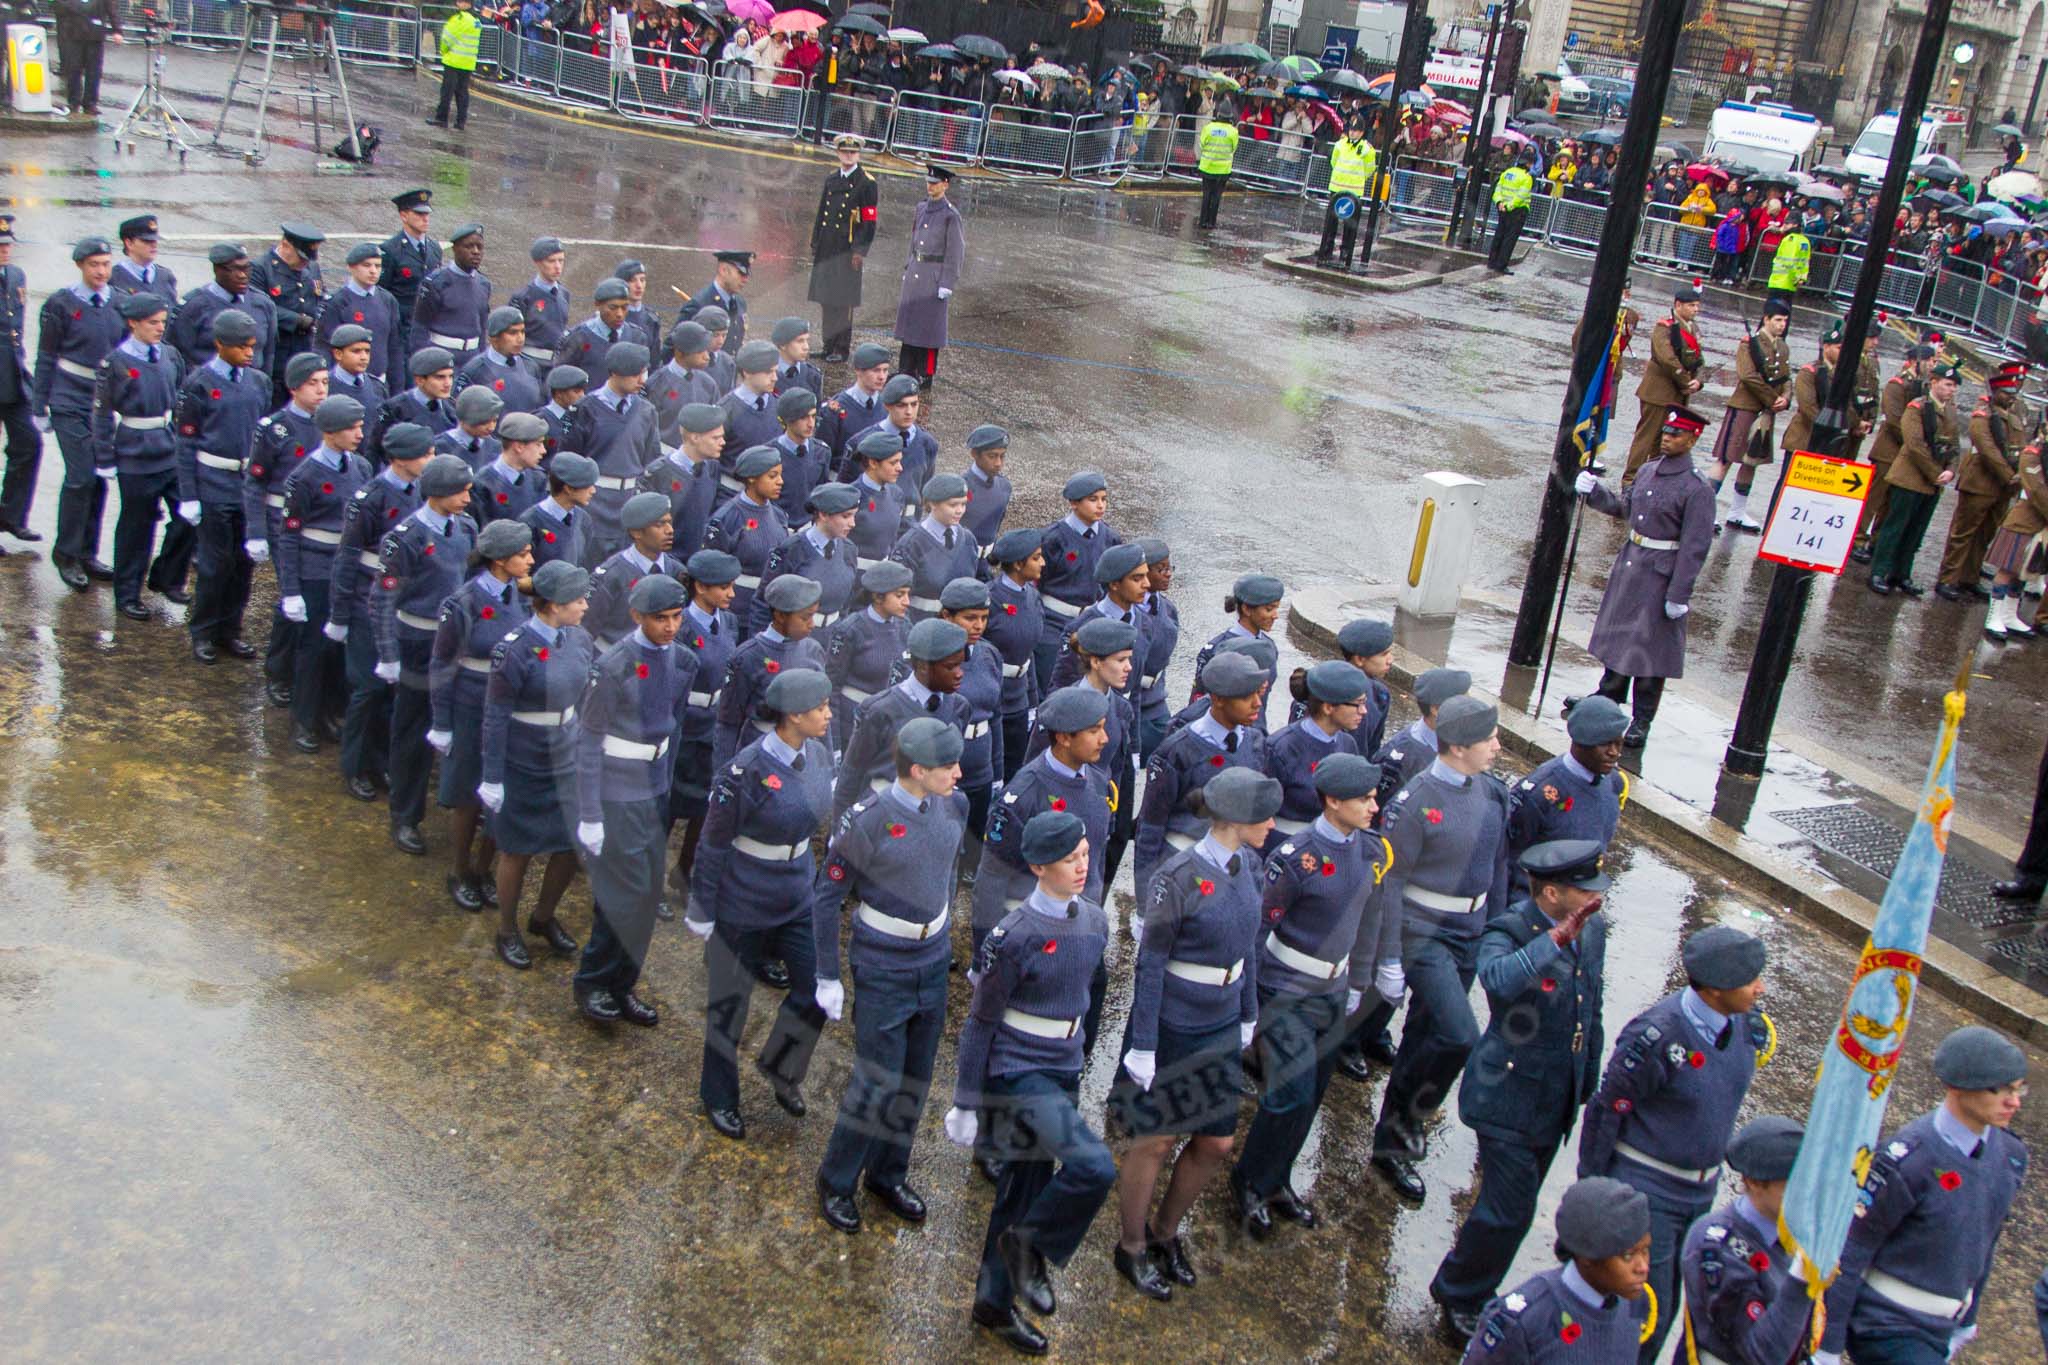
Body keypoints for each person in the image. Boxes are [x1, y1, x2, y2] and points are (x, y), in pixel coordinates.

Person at [945, 809, 1115, 1356]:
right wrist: (966, 1102)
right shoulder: (1012, 935)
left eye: (1085, 854)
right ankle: (1029, 1249)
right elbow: (981, 1022)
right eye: (1070, 860)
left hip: (1062, 1067)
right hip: (1018, 1071)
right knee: (1094, 1166)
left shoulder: (1094, 921)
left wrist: (1079, 1059)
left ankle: (993, 1304)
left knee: (1024, 1187)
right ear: (1040, 866)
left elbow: (1087, 998)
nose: (1082, 866)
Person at [1428, 840, 1610, 1344]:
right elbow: (1498, 980)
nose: (1594, 900)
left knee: (1518, 1205)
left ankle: (1470, 1285)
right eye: (1583, 891)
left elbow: (1589, 1006)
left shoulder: (1591, 931)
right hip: (1507, 1092)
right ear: (1551, 893)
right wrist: (1554, 939)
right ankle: (1460, 1292)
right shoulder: (1509, 929)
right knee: (1510, 1208)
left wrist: (1586, 1080)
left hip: (1554, 1092)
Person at [1111, 766, 1277, 1301]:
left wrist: (1248, 1013)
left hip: (1223, 1018)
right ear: (1233, 818)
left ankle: (1165, 1232)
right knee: (1156, 1140)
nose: (1273, 823)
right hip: (1178, 1021)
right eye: (1263, 814)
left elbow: (1249, 944)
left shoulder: (1249, 864)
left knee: (1216, 1140)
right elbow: (1150, 964)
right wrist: (1142, 1044)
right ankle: (1131, 1245)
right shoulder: (1175, 878)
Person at [1578, 925, 1772, 1363]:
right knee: (1647, 1314)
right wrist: (1593, 1187)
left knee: (1683, 1308)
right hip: (1649, 1192)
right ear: (1716, 991)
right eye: (1749, 981)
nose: (1760, 988)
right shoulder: (1658, 1037)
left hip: (1699, 1194)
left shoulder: (1746, 1025)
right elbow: (1608, 1108)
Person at [814, 715, 967, 1228]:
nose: (959, 773)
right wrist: (827, 974)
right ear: (918, 770)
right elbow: (827, 895)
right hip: (882, 960)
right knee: (876, 1081)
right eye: (948, 766)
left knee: (915, 1079)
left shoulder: (955, 805)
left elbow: (945, 873)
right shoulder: (869, 819)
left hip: (932, 958)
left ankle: (887, 1173)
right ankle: (837, 1180)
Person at [1230, 752, 1390, 1240]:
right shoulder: (1295, 859)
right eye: (1363, 798)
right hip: (1285, 988)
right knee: (1288, 1094)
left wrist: (1358, 984)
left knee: (1313, 1094)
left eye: (1374, 795)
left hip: (1333, 988)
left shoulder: (1372, 851)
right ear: (1333, 800)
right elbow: (1259, 932)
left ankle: (1278, 1179)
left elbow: (1368, 922)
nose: (1373, 805)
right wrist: (1252, 1006)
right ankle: (1250, 1181)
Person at [1368, 694, 1511, 1204]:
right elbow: (1390, 881)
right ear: (1458, 745)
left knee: (1428, 1032)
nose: (1497, 746)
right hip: (1422, 931)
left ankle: (1396, 1135)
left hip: (1472, 929)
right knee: (1458, 1033)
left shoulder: (1494, 794)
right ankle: (1407, 1120)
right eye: (1488, 738)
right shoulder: (1414, 801)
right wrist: (1387, 956)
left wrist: (1497, 929)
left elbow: (1499, 867)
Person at [1816, 1025, 2028, 1365]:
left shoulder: (2011, 1156)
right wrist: (1827, 1344)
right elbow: (1854, 1246)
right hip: (1886, 1324)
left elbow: (1985, 1238)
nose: (2013, 1102)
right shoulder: (1909, 1159)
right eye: (1999, 1090)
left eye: (2018, 1089)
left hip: (1941, 1326)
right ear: (1958, 1087)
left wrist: (1968, 1318)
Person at [686, 664, 834, 1138]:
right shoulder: (745, 770)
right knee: (731, 1003)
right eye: (819, 708)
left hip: (796, 891)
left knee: (814, 990)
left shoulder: (819, 753)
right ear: (791, 716)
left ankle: (782, 1067)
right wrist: (703, 909)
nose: (829, 715)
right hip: (744, 897)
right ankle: (718, 1095)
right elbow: (712, 843)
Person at [572, 573, 698, 1025]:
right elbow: (588, 741)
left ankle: (623, 984)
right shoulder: (614, 666)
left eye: (676, 617)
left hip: (653, 788)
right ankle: (593, 983)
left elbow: (675, 725)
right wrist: (590, 813)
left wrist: (665, 784)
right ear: (636, 616)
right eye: (659, 618)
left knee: (645, 894)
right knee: (620, 895)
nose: (669, 626)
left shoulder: (684, 660)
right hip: (616, 792)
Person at [1568, 405, 1715, 748]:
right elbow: (1624, 507)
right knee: (1620, 640)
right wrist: (1594, 492)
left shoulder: (1697, 489)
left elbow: (1695, 547)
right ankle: (1607, 698)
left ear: (1693, 439)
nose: (1667, 438)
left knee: (1650, 652)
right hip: (1633, 562)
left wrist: (1679, 594)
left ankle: (1642, 717)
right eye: (1665, 432)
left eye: (1676, 434)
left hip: (1661, 572)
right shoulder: (1649, 471)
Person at [479, 557, 594, 969]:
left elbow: (586, 693)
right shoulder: (513, 650)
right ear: (552, 604)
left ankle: (543, 916)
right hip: (524, 760)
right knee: (517, 850)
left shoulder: (579, 638)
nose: (584, 604)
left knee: (568, 845)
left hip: (567, 754)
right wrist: (492, 776)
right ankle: (506, 929)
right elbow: (495, 717)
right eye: (577, 599)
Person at [374, 453, 477, 850]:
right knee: (412, 731)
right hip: (416, 642)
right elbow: (383, 600)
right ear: (437, 493)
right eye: (461, 490)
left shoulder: (465, 528)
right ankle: (405, 815)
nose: (468, 497)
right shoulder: (406, 538)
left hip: (454, 642)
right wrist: (387, 653)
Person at [430, 518, 532, 909]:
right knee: (467, 792)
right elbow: (440, 664)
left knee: (498, 792)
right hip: (471, 702)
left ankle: (485, 867)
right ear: (501, 560)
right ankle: (459, 869)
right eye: (523, 555)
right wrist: (442, 721)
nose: (530, 560)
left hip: (509, 707)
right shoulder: (463, 603)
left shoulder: (522, 597)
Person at [331, 423, 432, 801]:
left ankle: (380, 761)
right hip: (367, 601)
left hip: (403, 604)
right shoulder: (371, 496)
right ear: (402, 459)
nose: (431, 460)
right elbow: (347, 555)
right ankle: (355, 765)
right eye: (425, 455)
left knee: (392, 692)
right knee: (367, 689)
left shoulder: (425, 492)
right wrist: (340, 613)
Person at [1461, 1176, 1653, 1361]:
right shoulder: (1522, 1323)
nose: (1643, 1267)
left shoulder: (1632, 1305)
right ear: (1587, 1256)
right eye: (1627, 1256)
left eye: (1645, 1250)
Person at [1674, 1116, 1815, 1365]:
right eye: (1793, 1186)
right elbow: (1762, 1355)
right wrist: (1801, 1279)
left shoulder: (1798, 1235)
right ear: (1754, 1182)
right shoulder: (1716, 1248)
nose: (1805, 1196)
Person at [278, 396, 374, 755]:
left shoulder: (362, 468)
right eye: (351, 428)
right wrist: (290, 589)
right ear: (330, 432)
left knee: (338, 649)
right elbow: (289, 536)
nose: (359, 434)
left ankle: (328, 714)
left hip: (346, 570)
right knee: (312, 650)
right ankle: (304, 719)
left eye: (360, 426)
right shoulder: (304, 476)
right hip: (315, 572)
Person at [174, 307, 270, 663]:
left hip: (245, 485)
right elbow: (186, 441)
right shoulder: (199, 383)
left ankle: (231, 630)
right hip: (212, 483)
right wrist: (189, 494)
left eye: (252, 346)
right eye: (242, 347)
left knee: (243, 566)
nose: (250, 353)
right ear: (220, 345)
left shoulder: (258, 382)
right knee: (215, 566)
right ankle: (204, 632)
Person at [93, 291, 192, 621]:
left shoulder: (170, 355)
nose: (160, 328)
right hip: (135, 452)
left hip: (168, 447)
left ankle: (166, 575)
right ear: (133, 323)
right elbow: (102, 413)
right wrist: (105, 457)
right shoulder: (116, 363)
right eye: (152, 323)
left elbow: (180, 397)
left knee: (189, 516)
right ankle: (127, 593)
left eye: (163, 322)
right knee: (137, 527)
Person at [35, 235, 124, 588]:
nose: (101, 271)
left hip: (101, 403)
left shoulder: (118, 302)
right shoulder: (62, 304)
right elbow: (46, 356)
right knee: (80, 475)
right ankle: (66, 553)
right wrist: (39, 403)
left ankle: (88, 552)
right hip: (68, 397)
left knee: (100, 477)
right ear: (80, 266)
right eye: (94, 265)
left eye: (105, 264)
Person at [834, 616, 971, 819]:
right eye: (950, 667)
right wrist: (839, 831)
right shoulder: (880, 711)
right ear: (924, 667)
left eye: (960, 665)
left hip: (931, 814)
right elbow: (852, 774)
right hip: (883, 815)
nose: (959, 674)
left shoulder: (959, 707)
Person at [1506, 695, 1628, 890]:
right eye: (1604, 744)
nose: (1614, 752)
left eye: (1618, 743)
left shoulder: (1615, 782)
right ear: (1579, 742)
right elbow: (1508, 861)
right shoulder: (1539, 793)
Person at [713, 572, 827, 770]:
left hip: (804, 754)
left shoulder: (813, 650)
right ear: (780, 615)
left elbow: (822, 710)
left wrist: (828, 768)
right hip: (760, 755)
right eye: (805, 617)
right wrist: (723, 775)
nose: (812, 624)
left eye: (814, 615)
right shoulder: (748, 657)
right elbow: (728, 723)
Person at [1869, 361, 1962, 598]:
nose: (1952, 390)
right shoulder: (1917, 407)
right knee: (1895, 526)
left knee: (1916, 530)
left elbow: (1953, 445)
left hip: (1934, 483)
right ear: (1933, 383)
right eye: (1948, 384)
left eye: (1954, 386)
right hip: (1911, 477)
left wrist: (1951, 469)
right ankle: (1879, 571)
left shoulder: (1950, 410)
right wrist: (1934, 473)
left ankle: (1901, 573)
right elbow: (1914, 444)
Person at [567, 342, 661, 565]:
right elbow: (570, 459)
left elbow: (651, 460)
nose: (642, 380)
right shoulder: (586, 408)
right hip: (593, 503)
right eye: (635, 374)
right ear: (615, 373)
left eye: (644, 372)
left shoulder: (646, 411)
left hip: (628, 504)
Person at [1937, 365, 2025, 601]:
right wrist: (2010, 476)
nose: (2011, 396)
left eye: (2014, 392)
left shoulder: (2014, 415)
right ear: (1996, 392)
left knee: (1984, 535)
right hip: (1980, 484)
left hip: (2002, 488)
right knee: (1963, 534)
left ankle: (1970, 577)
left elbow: (2018, 448)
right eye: (2006, 392)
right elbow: (1988, 450)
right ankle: (1948, 578)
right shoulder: (1982, 415)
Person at [1707, 298, 1792, 533]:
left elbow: (1786, 378)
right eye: (1777, 320)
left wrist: (1785, 398)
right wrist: (1771, 398)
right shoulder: (1749, 343)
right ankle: (1704, 509)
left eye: (1785, 320)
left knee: (1751, 462)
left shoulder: (1782, 347)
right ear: (1766, 319)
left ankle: (1737, 512)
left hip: (1765, 412)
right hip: (1745, 407)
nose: (1781, 325)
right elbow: (1747, 375)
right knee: (1726, 457)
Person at [1033, 470, 1121, 687]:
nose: (1100, 505)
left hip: (1091, 621)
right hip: (1053, 622)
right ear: (1074, 503)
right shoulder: (1053, 538)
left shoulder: (1110, 538)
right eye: (1093, 500)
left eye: (1103, 499)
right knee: (1051, 682)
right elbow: (1036, 581)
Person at [1853, 342, 1937, 563]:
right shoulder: (1897, 385)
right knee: (1874, 498)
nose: (1932, 365)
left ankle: (1876, 541)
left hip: (1905, 456)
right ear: (1915, 362)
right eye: (1929, 361)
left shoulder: (1925, 388)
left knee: (1889, 504)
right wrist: (1913, 441)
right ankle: (1857, 539)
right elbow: (1893, 419)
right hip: (1888, 452)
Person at [1621, 281, 1705, 486]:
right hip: (1659, 393)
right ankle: (1631, 480)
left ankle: (1653, 480)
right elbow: (1666, 358)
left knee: (1664, 442)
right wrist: (1686, 381)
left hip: (1678, 394)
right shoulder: (1664, 327)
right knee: (1647, 439)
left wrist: (1698, 381)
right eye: (1691, 305)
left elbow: (1699, 360)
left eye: (1696, 306)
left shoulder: (1693, 329)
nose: (1695, 310)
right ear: (1678, 305)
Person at [703, 444, 788, 632]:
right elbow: (712, 570)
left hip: (771, 610)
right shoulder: (727, 518)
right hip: (738, 612)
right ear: (751, 478)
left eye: (780, 475)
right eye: (772, 476)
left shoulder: (779, 516)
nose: (780, 481)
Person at [809, 134, 879, 363]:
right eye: (844, 152)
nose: (848, 156)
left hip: (848, 250)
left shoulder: (866, 183)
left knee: (843, 300)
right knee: (827, 298)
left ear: (858, 154)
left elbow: (869, 221)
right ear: (838, 153)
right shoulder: (831, 179)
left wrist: (860, 251)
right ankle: (828, 344)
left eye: (852, 152)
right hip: (828, 246)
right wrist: (816, 241)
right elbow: (822, 213)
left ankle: (841, 347)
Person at [895, 165, 966, 390]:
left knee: (928, 330)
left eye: (935, 183)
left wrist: (947, 282)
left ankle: (925, 373)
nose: (930, 186)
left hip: (933, 275)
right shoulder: (921, 208)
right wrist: (908, 264)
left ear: (945, 184)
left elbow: (955, 253)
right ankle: (905, 369)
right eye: (928, 182)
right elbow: (914, 240)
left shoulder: (950, 216)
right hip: (917, 270)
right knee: (910, 326)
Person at [1190, 571, 1283, 731]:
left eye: (1276, 608)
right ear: (1247, 609)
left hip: (1257, 734)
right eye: (1269, 609)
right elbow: (1198, 703)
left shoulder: (1269, 646)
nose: (1276, 616)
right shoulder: (1216, 649)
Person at [169, 244, 279, 376]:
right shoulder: (194, 306)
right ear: (217, 270)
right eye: (236, 269)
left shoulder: (263, 304)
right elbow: (177, 356)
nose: (243, 275)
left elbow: (269, 356)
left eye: (246, 268)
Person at [250, 224, 327, 405]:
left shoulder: (311, 267)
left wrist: (319, 314)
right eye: (301, 258)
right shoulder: (261, 268)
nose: (304, 264)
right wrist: (297, 320)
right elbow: (259, 306)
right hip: (278, 353)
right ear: (285, 245)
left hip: (305, 349)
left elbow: (320, 296)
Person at [0, 213, 39, 557]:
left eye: (7, 244)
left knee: (28, 443)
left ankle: (11, 515)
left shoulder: (15, 276)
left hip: (12, 376)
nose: (4, 251)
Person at [1984, 438, 2048, 642]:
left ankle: (2009, 615)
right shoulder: (2032, 454)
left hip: (2042, 525)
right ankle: (1993, 616)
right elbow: (2037, 492)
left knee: (2024, 571)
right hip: (2024, 521)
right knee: (2008, 569)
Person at [320, 246, 402, 390]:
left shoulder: (388, 300)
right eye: (366, 265)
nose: (373, 271)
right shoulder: (338, 302)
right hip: (346, 383)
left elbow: (394, 347)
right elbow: (325, 346)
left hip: (379, 383)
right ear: (352, 268)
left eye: (377, 266)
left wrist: (397, 386)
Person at [412, 224, 491, 368]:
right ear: (455, 249)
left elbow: (482, 327)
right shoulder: (436, 282)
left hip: (472, 359)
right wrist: (423, 365)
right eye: (469, 247)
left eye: (480, 247)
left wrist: (482, 361)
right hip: (441, 358)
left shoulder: (484, 284)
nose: (475, 252)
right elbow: (420, 327)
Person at [459, 308, 546, 416]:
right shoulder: (475, 371)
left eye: (522, 331)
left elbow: (539, 408)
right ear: (494, 337)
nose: (520, 339)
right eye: (513, 333)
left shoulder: (531, 367)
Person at [1316, 118, 1376, 271]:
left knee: (1349, 225)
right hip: (1336, 187)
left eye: (1355, 130)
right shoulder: (1340, 144)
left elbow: (1369, 169)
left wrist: (1356, 179)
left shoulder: (1367, 149)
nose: (1352, 132)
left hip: (1354, 191)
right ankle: (1327, 248)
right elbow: (1334, 162)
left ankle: (1345, 252)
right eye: (1351, 129)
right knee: (1331, 222)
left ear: (1362, 132)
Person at [767, 387, 829, 528]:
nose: (811, 424)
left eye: (813, 416)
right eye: (803, 417)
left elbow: (821, 494)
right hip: (777, 525)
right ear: (789, 420)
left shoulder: (822, 452)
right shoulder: (769, 454)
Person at [508, 237, 570, 369]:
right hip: (529, 364)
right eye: (551, 261)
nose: (558, 267)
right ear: (538, 262)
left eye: (561, 260)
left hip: (555, 365)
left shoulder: (564, 294)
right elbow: (509, 336)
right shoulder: (523, 297)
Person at [51, 0, 120, 117]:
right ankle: (74, 102)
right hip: (72, 33)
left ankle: (90, 104)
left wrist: (117, 30)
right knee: (73, 69)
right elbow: (58, 5)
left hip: (94, 35)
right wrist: (77, 8)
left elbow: (112, 8)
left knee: (94, 71)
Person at [678, 250, 752, 353]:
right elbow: (675, 345)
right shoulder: (699, 304)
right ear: (723, 270)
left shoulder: (740, 303)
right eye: (741, 273)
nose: (745, 279)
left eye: (747, 275)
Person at [428, 0, 482, 130]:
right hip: (468, 63)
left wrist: (443, 50)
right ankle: (461, 121)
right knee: (462, 93)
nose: (457, 3)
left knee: (447, 92)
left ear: (465, 3)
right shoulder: (477, 21)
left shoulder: (460, 18)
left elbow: (448, 38)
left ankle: (441, 118)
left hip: (454, 61)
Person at [110, 214, 177, 312]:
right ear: (129, 243)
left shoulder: (165, 276)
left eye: (155, 240)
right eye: (147, 241)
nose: (154, 244)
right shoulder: (114, 277)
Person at [960, 424, 1011, 552]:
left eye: (1002, 456)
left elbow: (995, 525)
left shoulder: (1004, 487)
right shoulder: (960, 487)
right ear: (974, 454)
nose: (998, 463)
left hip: (985, 563)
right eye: (992, 456)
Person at [1488, 148, 1536, 275]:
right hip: (1517, 211)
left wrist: (1499, 203)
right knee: (1509, 239)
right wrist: (1509, 206)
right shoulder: (1527, 178)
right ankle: (1501, 265)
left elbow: (1498, 189)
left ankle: (1492, 261)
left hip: (1502, 208)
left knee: (1499, 234)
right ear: (1528, 164)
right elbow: (1521, 196)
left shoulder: (1507, 172)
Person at [1196, 101, 1238, 230]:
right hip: (1223, 170)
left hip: (1207, 167)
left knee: (1206, 194)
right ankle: (1211, 222)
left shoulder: (1208, 128)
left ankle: (1203, 221)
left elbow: (1201, 144)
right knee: (1216, 196)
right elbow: (1233, 148)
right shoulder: (1233, 131)